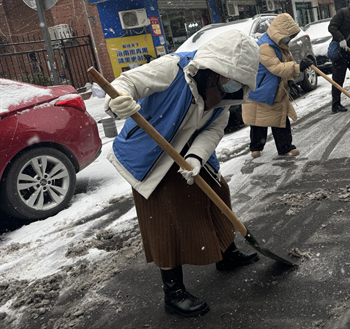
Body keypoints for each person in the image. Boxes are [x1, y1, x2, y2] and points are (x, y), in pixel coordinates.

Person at [104, 30, 261, 318]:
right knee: (165, 217)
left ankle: (225, 252)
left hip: (188, 149)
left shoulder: (227, 95)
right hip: (150, 153)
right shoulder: (173, 69)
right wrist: (119, 99)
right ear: (214, 70)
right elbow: (128, 82)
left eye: (237, 81)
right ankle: (173, 292)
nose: (232, 86)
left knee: (218, 194)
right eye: (228, 78)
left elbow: (214, 128)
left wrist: (196, 158)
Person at [242, 13, 313, 158]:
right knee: (260, 120)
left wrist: (290, 80)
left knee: (274, 119)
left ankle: (278, 147)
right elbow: (277, 68)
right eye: (289, 35)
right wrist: (299, 67)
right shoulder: (265, 46)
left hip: (271, 88)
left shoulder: (280, 44)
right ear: (280, 32)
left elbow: (286, 64)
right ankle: (262, 147)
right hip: (262, 90)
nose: (289, 38)